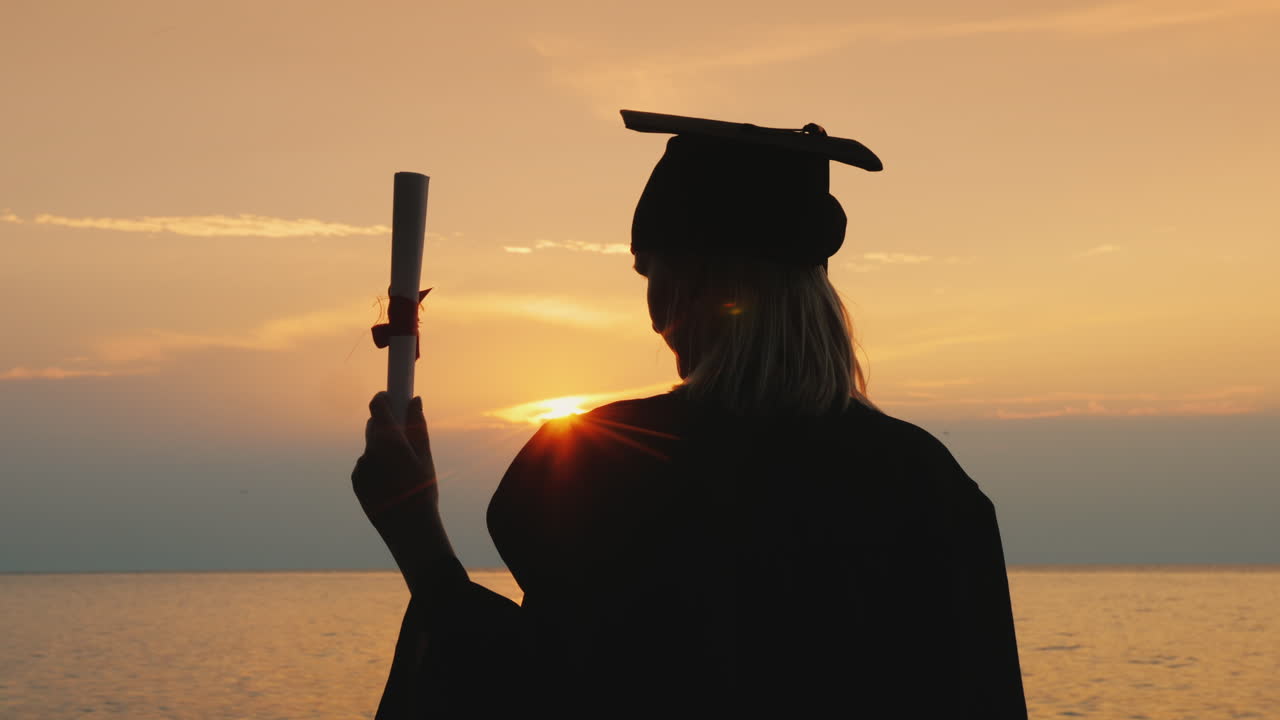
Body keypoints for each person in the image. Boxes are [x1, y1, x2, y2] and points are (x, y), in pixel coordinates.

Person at [352, 111, 1028, 718]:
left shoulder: (608, 464)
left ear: (700, 282)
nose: (652, 315)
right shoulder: (930, 489)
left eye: (653, 275)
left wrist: (420, 542)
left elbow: (550, 689)